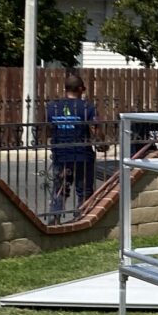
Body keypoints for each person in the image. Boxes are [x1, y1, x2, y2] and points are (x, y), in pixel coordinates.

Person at [46, 72, 98, 221]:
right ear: (81, 89)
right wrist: (101, 143)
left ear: (66, 89)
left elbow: (48, 128)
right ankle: (82, 217)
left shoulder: (52, 107)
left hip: (60, 154)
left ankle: (54, 218)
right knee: (84, 190)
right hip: (82, 155)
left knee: (60, 188)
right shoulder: (87, 107)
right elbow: (95, 129)